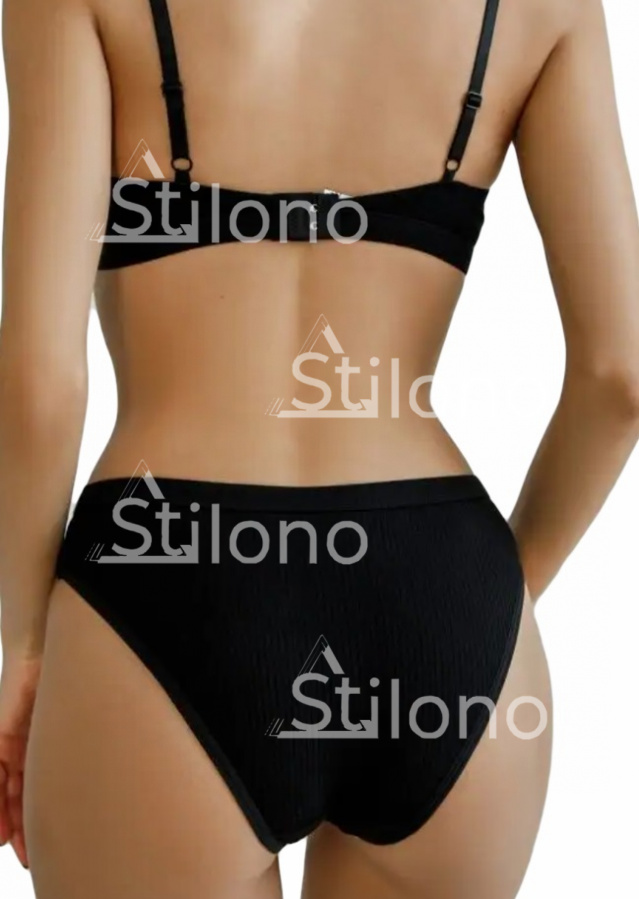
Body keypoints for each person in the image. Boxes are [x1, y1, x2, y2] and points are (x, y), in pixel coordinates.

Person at [0, 0, 638, 896]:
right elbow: (621, 374)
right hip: (440, 588)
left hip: (165, 578)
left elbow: (40, 381)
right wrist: (492, 603)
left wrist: (24, 645)